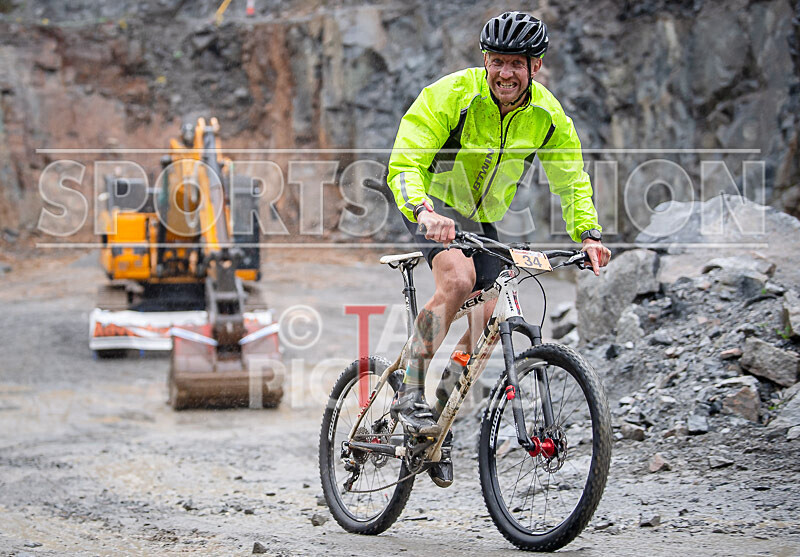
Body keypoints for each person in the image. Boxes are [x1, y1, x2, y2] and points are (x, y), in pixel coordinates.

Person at [386, 11, 611, 488]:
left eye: (517, 63)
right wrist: (423, 209)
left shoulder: (548, 118)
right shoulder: (452, 96)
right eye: (497, 61)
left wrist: (587, 235)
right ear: (485, 60)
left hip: (484, 217)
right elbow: (407, 157)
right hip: (431, 201)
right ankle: (409, 387)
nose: (505, 72)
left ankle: (439, 418)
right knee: (459, 281)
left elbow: (571, 180)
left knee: (489, 316)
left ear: (536, 66)